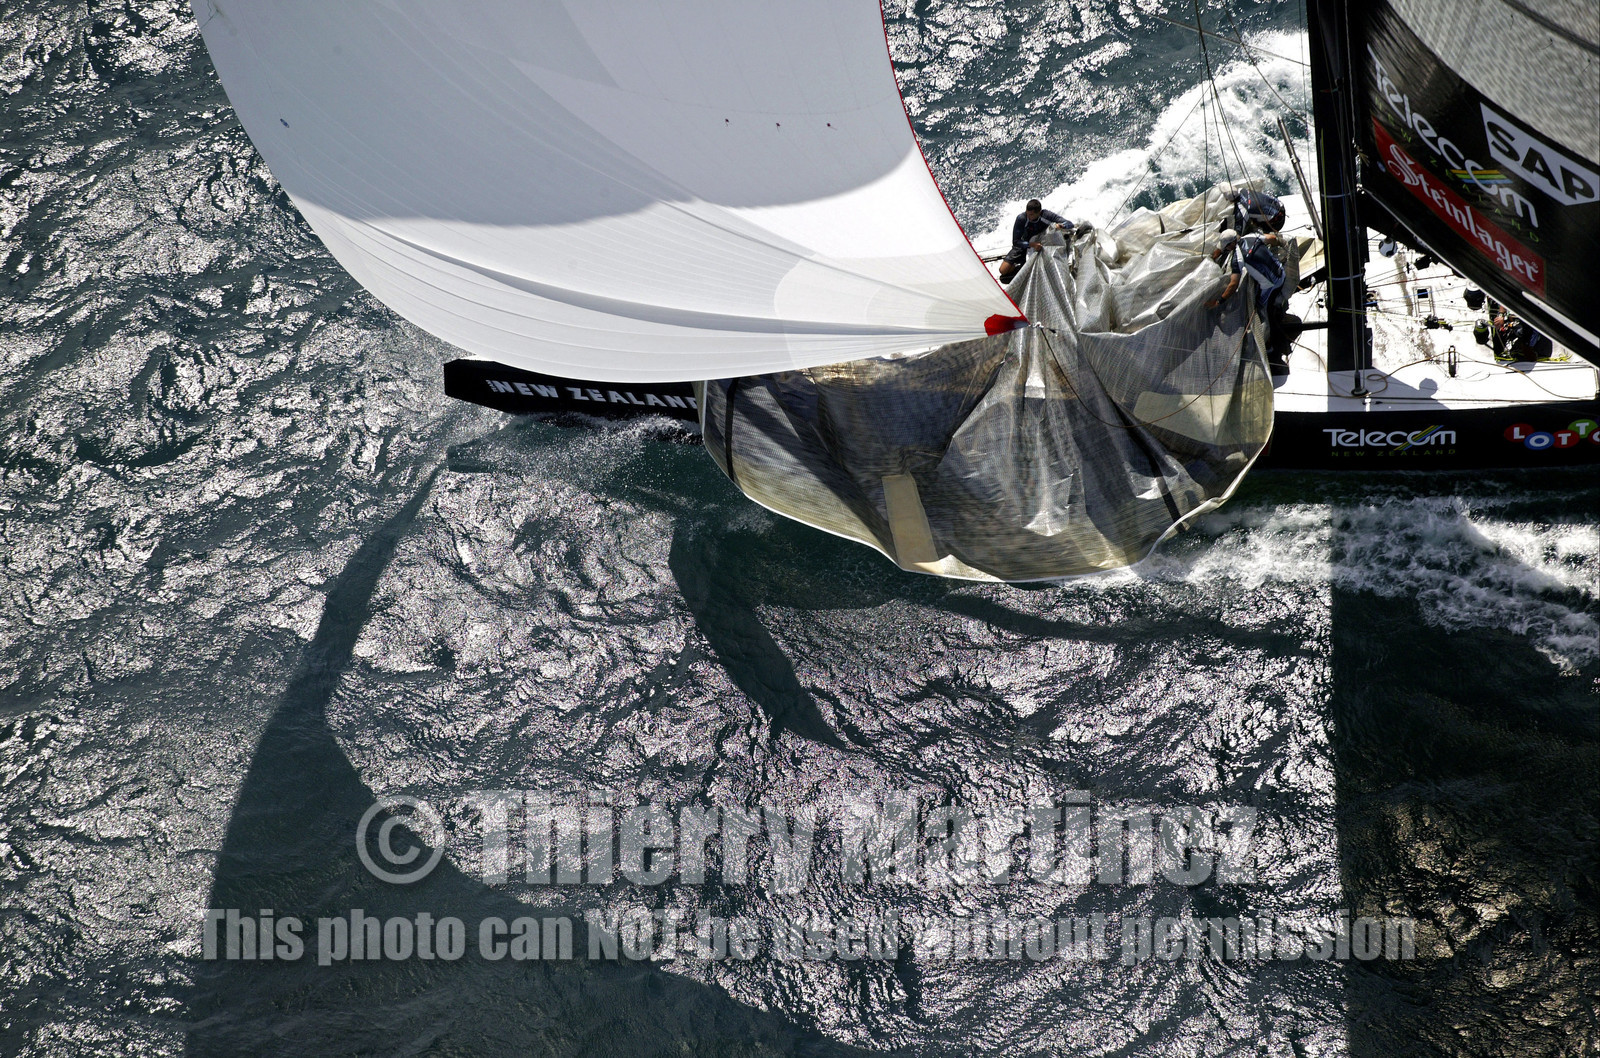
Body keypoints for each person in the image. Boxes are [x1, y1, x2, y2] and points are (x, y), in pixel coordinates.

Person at [1208, 230, 1299, 372]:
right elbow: (1273, 238)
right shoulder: (1252, 236)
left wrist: (1219, 301)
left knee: (1260, 310)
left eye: (1226, 246)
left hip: (1270, 285)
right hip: (1281, 273)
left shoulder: (1237, 258)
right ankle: (1278, 306)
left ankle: (1268, 346)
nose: (1226, 249)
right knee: (1267, 292)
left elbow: (1233, 285)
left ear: (1232, 244)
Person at [998, 199, 1071, 283]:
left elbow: (1069, 224)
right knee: (1002, 271)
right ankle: (1022, 268)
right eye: (1027, 213)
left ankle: (1027, 271)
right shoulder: (1021, 218)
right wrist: (1032, 244)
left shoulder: (1046, 215)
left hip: (1041, 245)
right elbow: (1016, 241)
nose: (1029, 217)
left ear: (1039, 212)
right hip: (1024, 245)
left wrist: (1061, 225)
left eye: (1031, 215)